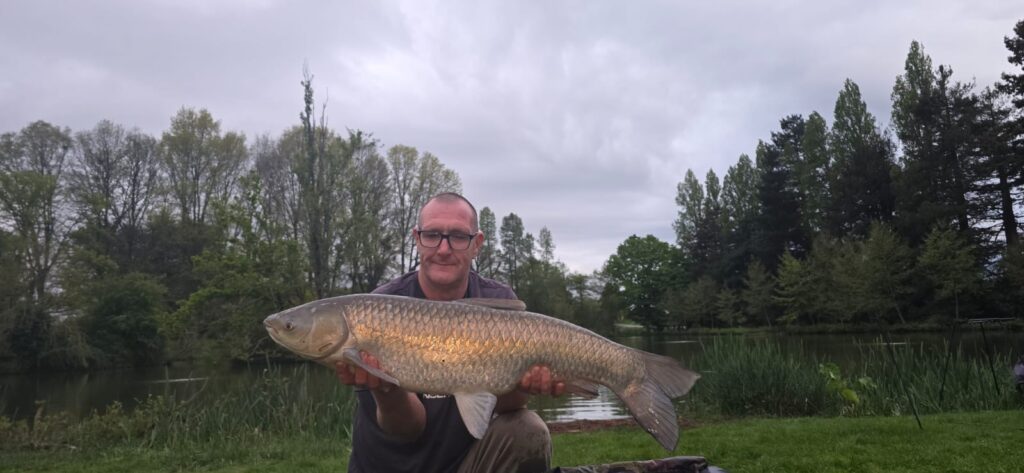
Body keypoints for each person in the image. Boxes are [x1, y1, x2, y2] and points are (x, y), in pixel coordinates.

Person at [336, 192, 564, 473]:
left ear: (476, 244)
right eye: (432, 235)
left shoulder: (498, 302)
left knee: (527, 429)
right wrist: (386, 390)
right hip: (388, 467)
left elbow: (505, 406)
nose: (443, 249)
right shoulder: (374, 312)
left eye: (458, 236)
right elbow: (407, 429)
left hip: (466, 465)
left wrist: (522, 385)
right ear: (417, 239)